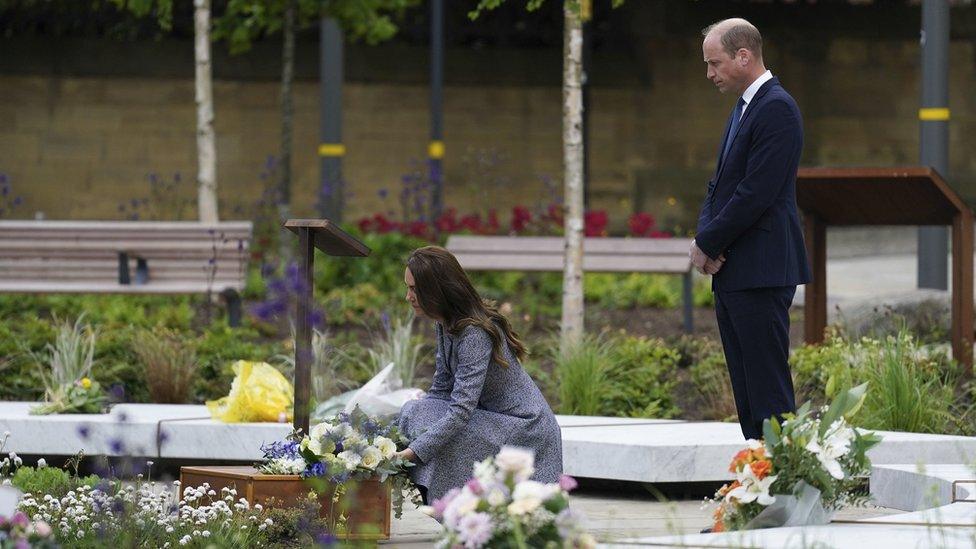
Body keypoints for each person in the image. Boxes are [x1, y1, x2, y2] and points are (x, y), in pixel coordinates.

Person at [690, 18, 812, 440]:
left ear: (744, 56)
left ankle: (784, 485)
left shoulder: (776, 108)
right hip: (736, 271)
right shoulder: (744, 107)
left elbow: (755, 193)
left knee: (768, 390)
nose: (710, 73)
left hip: (761, 270)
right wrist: (705, 239)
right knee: (746, 389)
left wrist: (708, 241)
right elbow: (719, 184)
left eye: (714, 62)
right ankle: (757, 481)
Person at [395, 246, 563, 503]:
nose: (408, 297)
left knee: (433, 425)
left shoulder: (473, 334)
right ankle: (445, 501)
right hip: (491, 417)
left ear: (437, 289)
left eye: (415, 289)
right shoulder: (445, 322)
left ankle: (452, 504)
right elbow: (441, 388)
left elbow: (461, 411)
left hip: (523, 426)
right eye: (408, 288)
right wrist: (405, 430)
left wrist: (412, 453)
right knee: (415, 411)